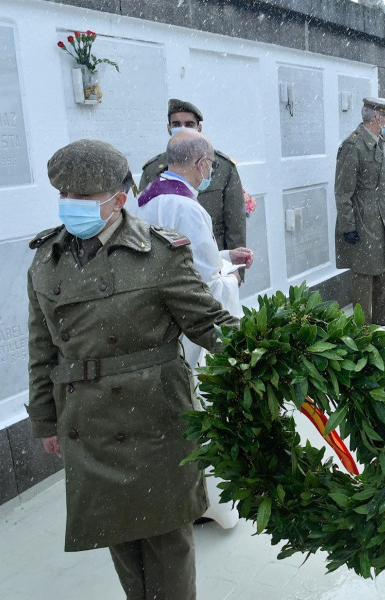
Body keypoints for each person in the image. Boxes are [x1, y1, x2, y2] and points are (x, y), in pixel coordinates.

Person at [26, 139, 240, 600]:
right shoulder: (46, 259)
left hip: (155, 418)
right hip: (91, 421)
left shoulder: (158, 254)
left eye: (85, 200)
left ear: (119, 200)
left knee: (167, 546)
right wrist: (46, 420)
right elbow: (42, 347)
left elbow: (207, 321)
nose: (72, 208)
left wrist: (266, 353)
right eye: (66, 197)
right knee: (121, 539)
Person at [134, 129, 253, 530]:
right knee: (204, 408)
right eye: (210, 166)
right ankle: (208, 503)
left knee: (173, 417)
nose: (210, 173)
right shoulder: (188, 209)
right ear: (201, 163)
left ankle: (175, 498)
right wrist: (230, 270)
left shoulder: (145, 199)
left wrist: (222, 254)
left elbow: (170, 262)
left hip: (156, 323)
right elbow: (202, 281)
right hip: (192, 327)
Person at [140, 98, 247, 259]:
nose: (182, 128)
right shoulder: (153, 169)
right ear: (168, 128)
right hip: (167, 261)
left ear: (199, 128)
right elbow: (142, 223)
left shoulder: (223, 167)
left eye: (189, 124)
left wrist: (236, 270)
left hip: (214, 257)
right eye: (176, 124)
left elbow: (235, 225)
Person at [334, 96, 385, 327]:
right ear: (377, 117)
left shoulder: (378, 142)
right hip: (362, 221)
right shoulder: (353, 145)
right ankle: (363, 331)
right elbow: (343, 192)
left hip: (381, 220)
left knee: (384, 274)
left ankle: (381, 324)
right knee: (363, 277)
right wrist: (348, 227)